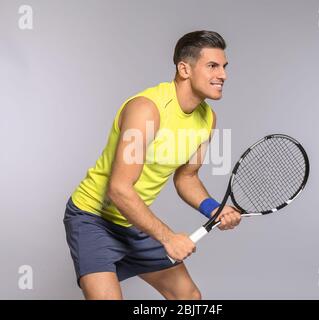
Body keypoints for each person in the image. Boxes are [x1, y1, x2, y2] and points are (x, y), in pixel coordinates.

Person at [63, 30, 241, 300]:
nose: (223, 75)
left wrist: (213, 209)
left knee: (189, 299)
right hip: (92, 220)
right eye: (212, 66)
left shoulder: (208, 119)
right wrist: (168, 238)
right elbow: (120, 189)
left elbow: (187, 178)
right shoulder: (147, 110)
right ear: (184, 69)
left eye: (224, 67)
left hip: (134, 221)